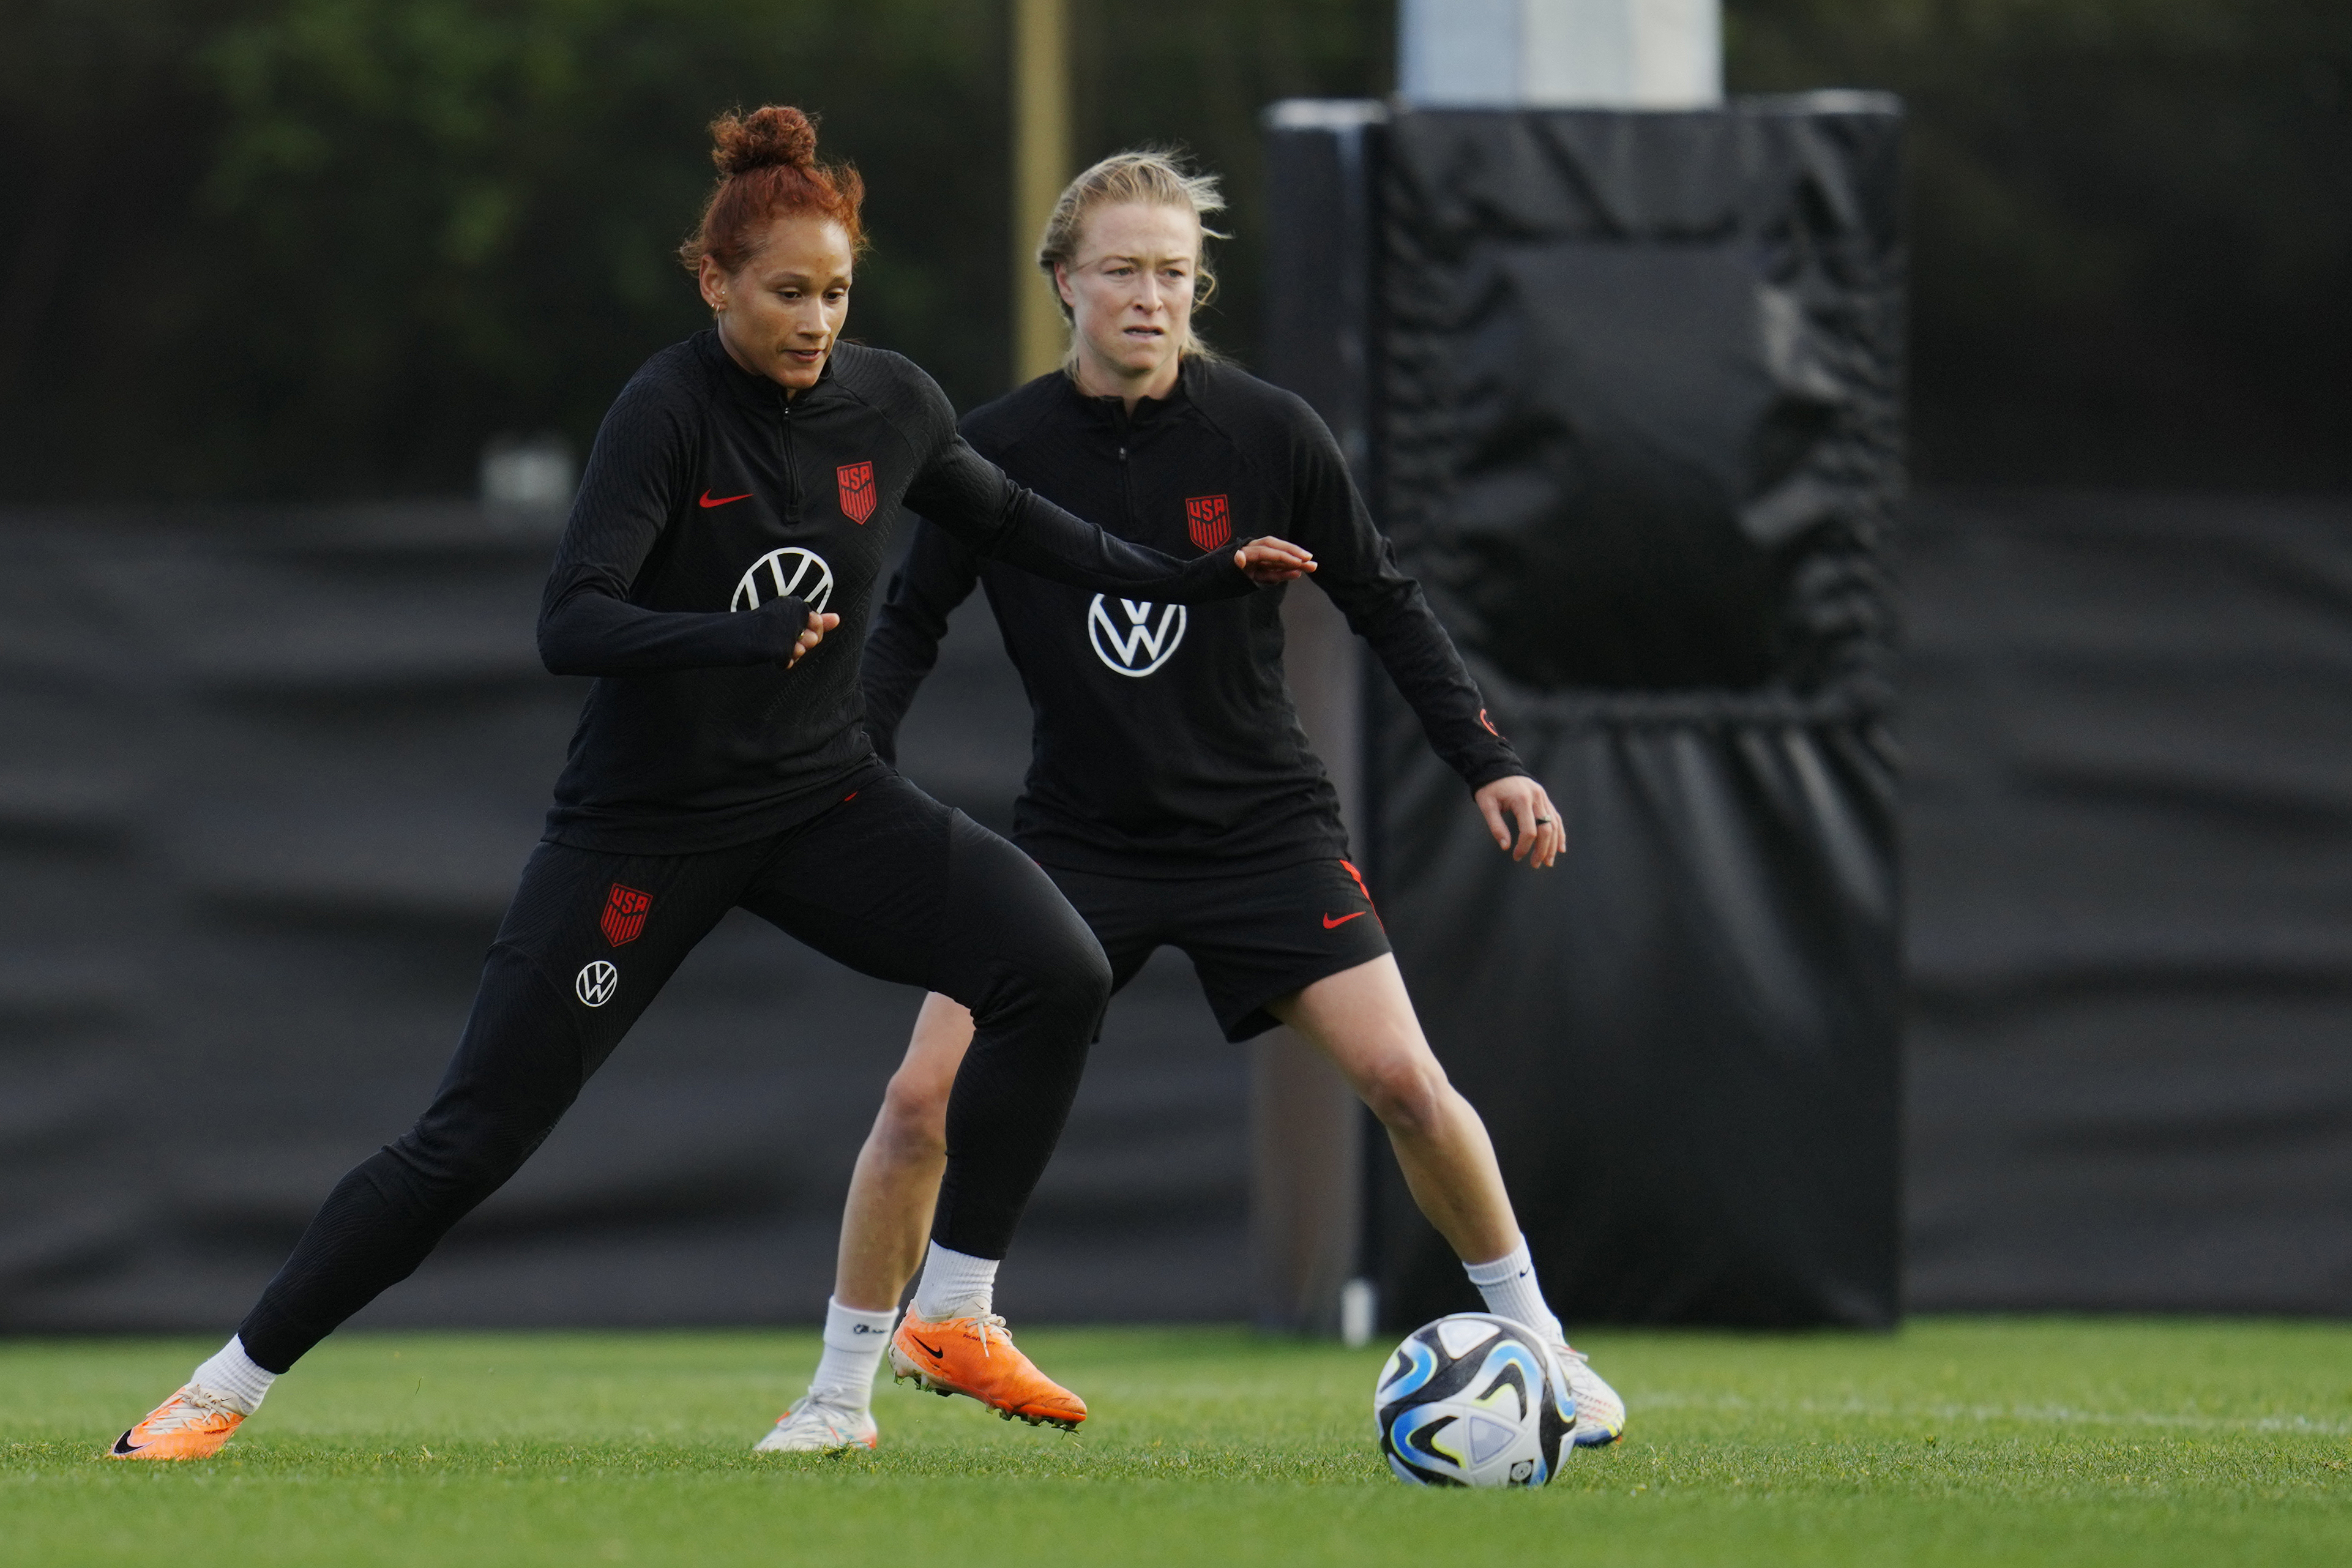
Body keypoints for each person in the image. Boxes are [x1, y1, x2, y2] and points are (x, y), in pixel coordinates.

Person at [108, 108, 1316, 1462]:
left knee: (1057, 968)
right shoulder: (667, 411)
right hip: (644, 831)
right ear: (715, 283)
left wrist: (1192, 577)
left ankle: (955, 1310)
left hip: (819, 800)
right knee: (474, 1140)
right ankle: (223, 1386)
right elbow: (572, 623)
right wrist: (726, 638)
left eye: (836, 292)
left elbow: (1029, 529)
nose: (814, 320)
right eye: (786, 293)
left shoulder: (893, 402)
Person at [755, 151, 1625, 1455]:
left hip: (1258, 829)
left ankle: (1542, 1345)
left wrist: (1489, 761)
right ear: (1064, 283)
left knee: (1403, 1081)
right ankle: (836, 1398)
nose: (1149, 296)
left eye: (1172, 272)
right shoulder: (991, 448)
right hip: (1073, 838)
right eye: (1120, 270)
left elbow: (1383, 604)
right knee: (920, 1104)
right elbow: (905, 628)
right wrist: (842, 772)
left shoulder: (1267, 433)